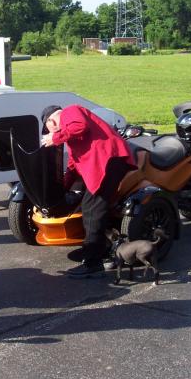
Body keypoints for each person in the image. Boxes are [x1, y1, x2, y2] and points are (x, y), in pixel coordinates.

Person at [41, 104, 135, 278]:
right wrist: (61, 188)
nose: (49, 134)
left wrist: (56, 138)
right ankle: (100, 248)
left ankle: (93, 262)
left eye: (47, 129)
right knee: (91, 208)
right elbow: (73, 165)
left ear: (51, 121)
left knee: (92, 209)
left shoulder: (70, 111)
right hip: (105, 163)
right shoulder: (70, 137)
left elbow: (80, 126)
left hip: (109, 160)